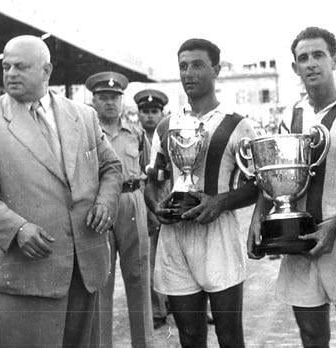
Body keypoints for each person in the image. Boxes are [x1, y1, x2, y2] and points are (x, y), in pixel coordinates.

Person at [0, 35, 122, 346]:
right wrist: (17, 228)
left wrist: (105, 201)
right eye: (6, 67)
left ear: (46, 71)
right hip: (28, 272)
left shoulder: (83, 116)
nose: (10, 74)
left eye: (20, 67)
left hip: (84, 268)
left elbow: (111, 168)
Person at [248, 27, 336, 348]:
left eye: (319, 55)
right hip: (299, 236)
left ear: (335, 60)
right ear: (295, 68)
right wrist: (258, 219)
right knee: (311, 336)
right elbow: (272, 174)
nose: (311, 64)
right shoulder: (292, 114)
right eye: (303, 58)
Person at [145, 38, 258, 348]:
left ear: (216, 70)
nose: (188, 73)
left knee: (229, 334)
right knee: (190, 335)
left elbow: (257, 185)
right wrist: (157, 207)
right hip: (176, 239)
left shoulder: (238, 125)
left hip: (218, 235)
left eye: (197, 65)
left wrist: (221, 202)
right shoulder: (167, 126)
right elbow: (154, 180)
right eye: (183, 66)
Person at [86, 72, 153, 347]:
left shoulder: (135, 133)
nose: (109, 103)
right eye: (103, 98)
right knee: (102, 280)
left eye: (114, 97)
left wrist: (152, 209)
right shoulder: (87, 133)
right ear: (94, 101)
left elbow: (149, 173)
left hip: (132, 201)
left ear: (122, 101)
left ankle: (144, 343)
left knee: (138, 277)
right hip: (100, 205)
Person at [134, 88, 171, 329]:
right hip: (146, 202)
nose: (149, 116)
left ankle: (197, 307)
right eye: (145, 112)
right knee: (151, 259)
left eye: (154, 111)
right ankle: (157, 310)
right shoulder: (135, 137)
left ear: (162, 113)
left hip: (168, 196)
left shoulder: (168, 135)